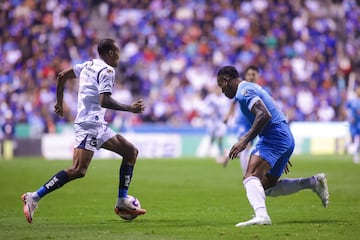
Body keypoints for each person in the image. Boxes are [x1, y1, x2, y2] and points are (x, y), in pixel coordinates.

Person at [21, 38, 146, 223]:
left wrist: (59, 103)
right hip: (90, 124)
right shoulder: (107, 71)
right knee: (78, 170)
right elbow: (104, 101)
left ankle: (122, 202)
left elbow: (62, 76)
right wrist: (130, 108)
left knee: (130, 152)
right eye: (117, 52)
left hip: (96, 124)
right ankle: (34, 197)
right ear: (110, 53)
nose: (119, 56)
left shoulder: (88, 65)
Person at [216, 66, 329, 227]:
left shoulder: (243, 92)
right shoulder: (251, 88)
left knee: (250, 176)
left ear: (226, 80)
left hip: (274, 138)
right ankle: (312, 182)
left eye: (221, 86)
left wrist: (245, 140)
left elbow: (264, 114)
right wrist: (282, 149)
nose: (222, 91)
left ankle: (262, 216)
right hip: (282, 137)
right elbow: (274, 111)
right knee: (265, 187)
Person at [222, 65, 261, 170]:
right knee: (246, 146)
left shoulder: (260, 90)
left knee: (244, 147)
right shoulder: (242, 88)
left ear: (258, 76)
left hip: (254, 124)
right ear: (245, 76)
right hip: (242, 122)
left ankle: (227, 153)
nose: (251, 77)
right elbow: (233, 103)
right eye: (249, 74)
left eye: (254, 74)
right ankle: (246, 175)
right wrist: (227, 116)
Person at [202, 86, 229, 162]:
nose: (218, 90)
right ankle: (209, 151)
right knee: (212, 137)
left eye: (219, 89)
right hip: (212, 121)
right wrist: (209, 112)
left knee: (220, 137)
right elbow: (204, 108)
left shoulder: (224, 99)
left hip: (220, 122)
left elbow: (226, 110)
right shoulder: (210, 98)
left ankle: (220, 155)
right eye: (217, 88)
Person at [346, 86, 360, 164]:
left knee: (358, 141)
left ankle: (356, 155)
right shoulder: (352, 101)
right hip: (353, 123)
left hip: (359, 123)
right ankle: (347, 146)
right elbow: (346, 109)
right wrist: (349, 117)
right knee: (353, 140)